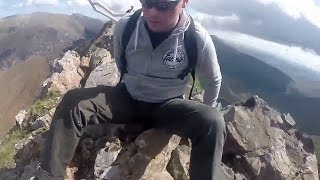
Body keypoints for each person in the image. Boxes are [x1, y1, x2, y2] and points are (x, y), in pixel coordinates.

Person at [34, 0, 226, 179]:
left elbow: (213, 79)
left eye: (163, 5)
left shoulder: (196, 37)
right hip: (127, 97)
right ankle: (50, 176)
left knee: (212, 121)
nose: (152, 11)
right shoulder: (126, 26)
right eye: (147, 2)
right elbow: (121, 63)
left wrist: (200, 113)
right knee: (73, 101)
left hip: (168, 106)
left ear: (184, 2)